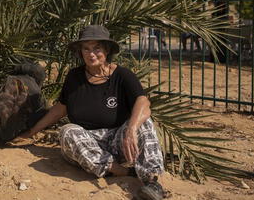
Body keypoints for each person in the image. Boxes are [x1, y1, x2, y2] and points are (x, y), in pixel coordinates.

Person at [16, 25, 166, 200]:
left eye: (97, 48)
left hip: (118, 140)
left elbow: (143, 101)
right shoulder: (74, 77)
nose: (91, 53)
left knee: (144, 123)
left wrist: (132, 129)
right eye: (86, 49)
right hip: (85, 144)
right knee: (67, 131)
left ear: (107, 50)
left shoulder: (122, 75)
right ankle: (121, 170)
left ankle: (153, 182)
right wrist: (31, 132)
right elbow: (59, 109)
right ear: (80, 52)